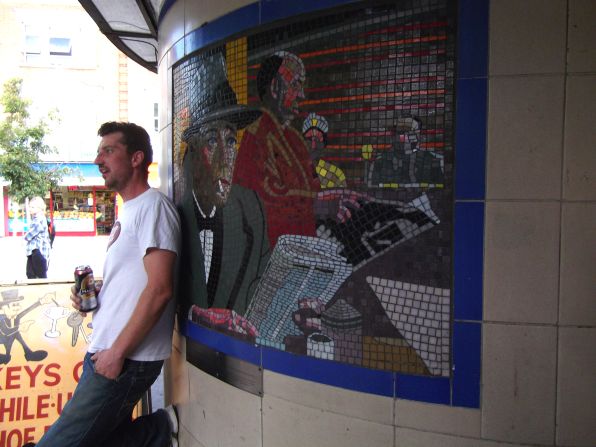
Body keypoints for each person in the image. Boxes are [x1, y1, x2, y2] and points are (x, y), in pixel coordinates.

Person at [33, 122, 182, 447]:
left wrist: (117, 353)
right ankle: (158, 431)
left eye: (109, 150)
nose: (99, 159)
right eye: (99, 151)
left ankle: (158, 431)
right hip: (109, 353)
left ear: (136, 158)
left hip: (126, 358)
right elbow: (137, 279)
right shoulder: (129, 211)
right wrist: (99, 291)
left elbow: (159, 290)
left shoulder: (153, 207)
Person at [178, 71, 269, 318]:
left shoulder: (251, 209)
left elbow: (265, 285)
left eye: (230, 141)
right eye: (211, 141)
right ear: (194, 153)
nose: (225, 159)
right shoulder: (175, 213)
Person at [24, 196, 51, 279]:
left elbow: (30, 234)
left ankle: (42, 291)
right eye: (29, 206)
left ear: (39, 208)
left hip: (38, 251)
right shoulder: (36, 218)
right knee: (31, 274)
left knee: (40, 275)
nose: (30, 209)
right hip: (34, 251)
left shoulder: (39, 218)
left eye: (32, 207)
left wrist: (25, 236)